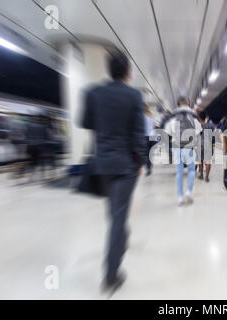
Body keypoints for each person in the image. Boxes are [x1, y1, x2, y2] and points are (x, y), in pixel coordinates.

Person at [81, 52, 146, 294]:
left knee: (114, 212)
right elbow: (138, 133)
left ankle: (121, 240)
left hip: (102, 164)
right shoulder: (133, 96)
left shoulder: (92, 93)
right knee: (118, 216)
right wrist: (140, 161)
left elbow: (85, 122)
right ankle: (111, 275)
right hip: (125, 165)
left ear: (109, 70)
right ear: (128, 72)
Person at [164, 96, 202, 206]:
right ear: (188, 105)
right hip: (189, 147)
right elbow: (198, 132)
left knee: (179, 172)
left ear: (178, 105)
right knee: (191, 171)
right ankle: (189, 191)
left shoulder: (172, 119)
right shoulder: (193, 118)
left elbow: (168, 134)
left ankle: (180, 197)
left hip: (177, 147)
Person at [197, 111, 214, 182]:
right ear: (205, 117)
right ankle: (207, 177)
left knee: (200, 161)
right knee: (208, 161)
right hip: (208, 145)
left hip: (199, 144)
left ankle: (201, 175)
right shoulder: (210, 126)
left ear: (199, 118)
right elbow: (213, 136)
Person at [144, 104, 155, 176]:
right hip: (152, 136)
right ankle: (150, 166)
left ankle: (148, 168)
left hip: (144, 136)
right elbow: (154, 125)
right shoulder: (151, 115)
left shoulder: (141, 116)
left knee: (146, 153)